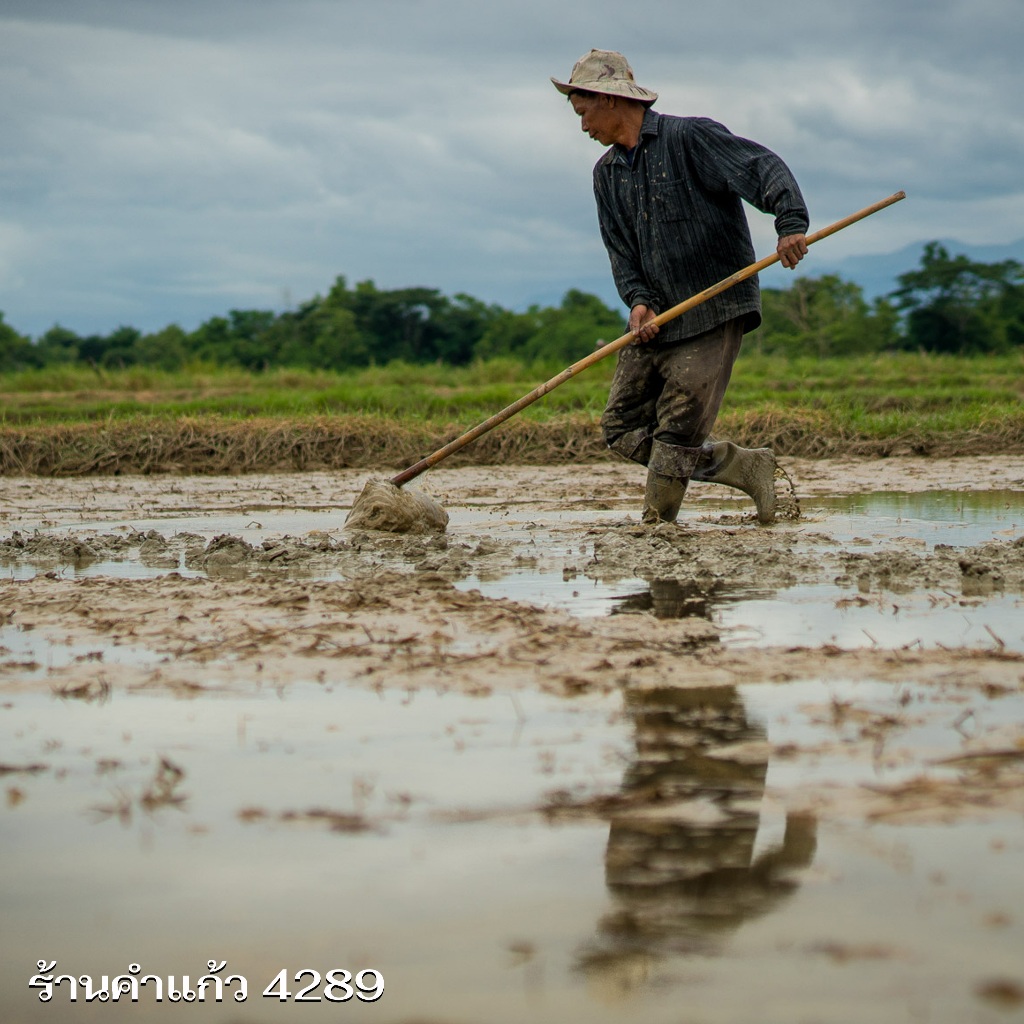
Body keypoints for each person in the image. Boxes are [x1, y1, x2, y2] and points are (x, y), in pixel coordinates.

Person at [551, 49, 809, 525]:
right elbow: (621, 251)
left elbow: (761, 166)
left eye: (583, 112)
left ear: (608, 100)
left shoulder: (690, 138)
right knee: (622, 427)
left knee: (676, 431)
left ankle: (657, 527)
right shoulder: (605, 174)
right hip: (658, 319)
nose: (582, 125)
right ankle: (740, 466)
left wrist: (789, 221)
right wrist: (638, 301)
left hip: (714, 309)